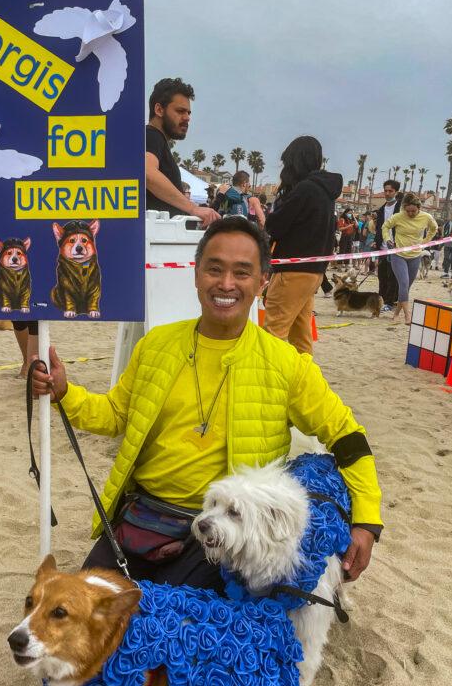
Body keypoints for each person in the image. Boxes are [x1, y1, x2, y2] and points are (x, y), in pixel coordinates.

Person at [32, 216, 382, 589]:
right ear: (196, 274)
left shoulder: (286, 363)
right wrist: (65, 393)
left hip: (228, 532)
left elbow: (346, 436)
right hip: (143, 516)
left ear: (262, 281)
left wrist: (366, 521)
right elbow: (116, 415)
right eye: (214, 269)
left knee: (170, 621)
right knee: (84, 610)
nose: (226, 284)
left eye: (242, 272)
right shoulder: (156, 345)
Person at [263, 136, 342, 354]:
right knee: (301, 333)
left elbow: (275, 225)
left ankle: (269, 374)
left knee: (273, 331)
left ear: (296, 161)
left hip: (292, 270)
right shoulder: (325, 190)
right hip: (313, 271)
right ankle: (304, 373)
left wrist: (273, 210)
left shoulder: (305, 189)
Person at [145, 78, 219, 227]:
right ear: (159, 110)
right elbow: (147, 172)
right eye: (180, 111)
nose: (187, 118)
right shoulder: (151, 136)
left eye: (188, 112)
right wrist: (193, 208)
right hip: (158, 237)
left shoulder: (156, 140)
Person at [382, 193, 437, 324]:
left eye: (414, 211)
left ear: (419, 208)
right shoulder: (398, 216)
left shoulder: (426, 217)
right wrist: (388, 240)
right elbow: (385, 227)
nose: (411, 214)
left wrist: (425, 242)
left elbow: (434, 228)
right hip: (398, 255)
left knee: (406, 288)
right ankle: (407, 315)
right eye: (408, 211)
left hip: (415, 255)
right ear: (404, 208)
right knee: (403, 283)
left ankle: (396, 313)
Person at [374, 180, 402, 312]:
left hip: (397, 247)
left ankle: (390, 302)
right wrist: (377, 241)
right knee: (382, 275)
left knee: (393, 276)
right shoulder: (381, 210)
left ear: (396, 192)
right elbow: (379, 228)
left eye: (390, 191)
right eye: (385, 190)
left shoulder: (401, 208)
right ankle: (382, 299)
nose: (387, 193)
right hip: (383, 247)